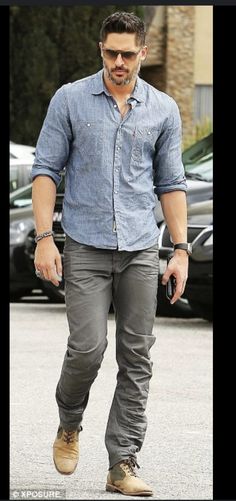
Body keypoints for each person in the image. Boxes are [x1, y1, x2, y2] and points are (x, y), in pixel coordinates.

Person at [31, 11, 190, 497]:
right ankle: (69, 422)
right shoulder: (70, 100)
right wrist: (43, 239)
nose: (118, 62)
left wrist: (180, 249)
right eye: (110, 52)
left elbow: (171, 184)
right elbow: (45, 171)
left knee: (137, 355)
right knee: (87, 348)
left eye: (128, 54)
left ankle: (122, 461)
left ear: (143, 53)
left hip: (142, 247)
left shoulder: (163, 109)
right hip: (85, 245)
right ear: (100, 49)